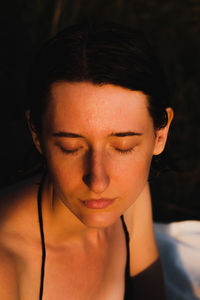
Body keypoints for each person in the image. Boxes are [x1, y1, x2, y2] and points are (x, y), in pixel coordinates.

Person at [0, 22, 173, 300]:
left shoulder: (133, 200)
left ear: (160, 135)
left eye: (122, 146)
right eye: (71, 147)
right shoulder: (7, 266)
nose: (98, 181)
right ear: (36, 133)